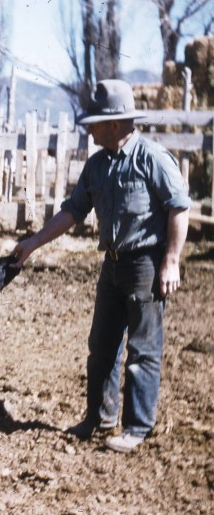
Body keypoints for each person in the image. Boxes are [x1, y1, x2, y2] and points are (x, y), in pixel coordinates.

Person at [12, 79, 191, 453]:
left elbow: (179, 207)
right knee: (102, 346)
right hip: (111, 265)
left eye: (93, 122)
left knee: (142, 350)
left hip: (145, 264)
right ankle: (99, 417)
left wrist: (171, 262)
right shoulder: (96, 166)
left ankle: (137, 427)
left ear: (113, 123)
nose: (88, 129)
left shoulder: (152, 158)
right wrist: (32, 243)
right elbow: (72, 212)